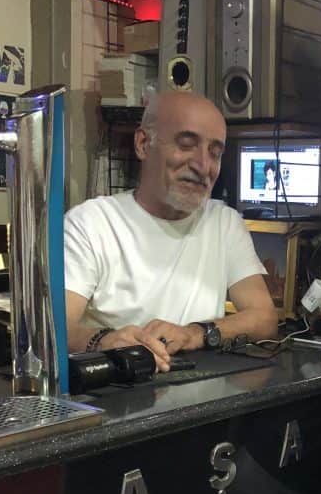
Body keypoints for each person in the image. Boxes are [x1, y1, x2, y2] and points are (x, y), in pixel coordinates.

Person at [64, 91, 277, 371]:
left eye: (215, 153)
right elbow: (57, 325)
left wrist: (195, 333)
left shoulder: (224, 223)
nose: (203, 166)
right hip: (120, 389)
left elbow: (264, 318)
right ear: (143, 144)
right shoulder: (91, 223)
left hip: (201, 391)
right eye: (186, 145)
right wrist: (103, 341)